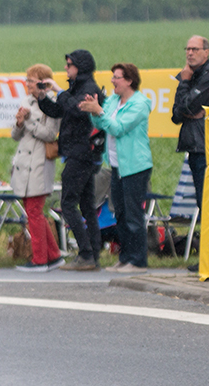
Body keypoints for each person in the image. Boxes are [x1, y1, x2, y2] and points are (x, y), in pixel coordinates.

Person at [80, 63, 153, 274]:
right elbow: (102, 123)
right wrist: (93, 110)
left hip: (135, 166)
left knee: (133, 214)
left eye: (117, 77)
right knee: (119, 213)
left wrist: (100, 112)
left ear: (129, 81)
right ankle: (125, 257)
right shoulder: (113, 100)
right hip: (116, 165)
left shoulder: (139, 104)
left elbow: (119, 128)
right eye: (112, 77)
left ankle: (138, 261)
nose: (113, 81)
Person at [38, 50, 105, 271]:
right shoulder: (77, 88)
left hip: (81, 153)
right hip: (78, 153)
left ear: (81, 67)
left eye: (69, 65)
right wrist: (42, 97)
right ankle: (92, 254)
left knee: (68, 203)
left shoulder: (89, 89)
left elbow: (76, 111)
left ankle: (86, 254)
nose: (66, 68)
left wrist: (59, 90)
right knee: (86, 205)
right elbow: (59, 110)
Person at [10, 64, 64, 272]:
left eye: (31, 81)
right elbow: (15, 136)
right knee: (33, 211)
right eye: (27, 80)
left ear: (42, 83)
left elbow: (50, 134)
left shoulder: (52, 106)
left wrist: (30, 121)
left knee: (34, 211)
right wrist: (19, 123)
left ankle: (40, 259)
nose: (28, 84)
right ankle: (53, 255)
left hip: (40, 163)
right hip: (24, 164)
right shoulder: (26, 102)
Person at [172, 36, 209, 222]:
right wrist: (185, 83)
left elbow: (185, 107)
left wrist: (184, 83)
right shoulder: (191, 76)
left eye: (195, 49)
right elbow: (176, 115)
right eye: (187, 49)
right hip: (194, 147)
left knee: (208, 200)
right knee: (203, 201)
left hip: (205, 147)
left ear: (206, 52)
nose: (190, 53)